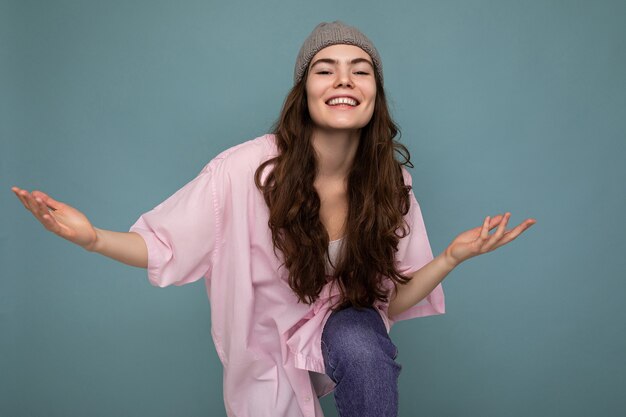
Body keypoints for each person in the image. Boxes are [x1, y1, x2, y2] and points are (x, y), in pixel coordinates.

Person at [11, 21, 536, 417]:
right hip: (263, 345)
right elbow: (166, 245)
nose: (343, 79)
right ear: (304, 92)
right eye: (324, 69)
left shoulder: (389, 184)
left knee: (363, 343)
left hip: (341, 327)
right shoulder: (244, 171)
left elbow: (387, 302)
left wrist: (451, 256)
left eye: (361, 69)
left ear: (375, 94)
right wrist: (91, 239)